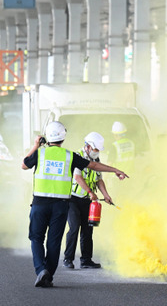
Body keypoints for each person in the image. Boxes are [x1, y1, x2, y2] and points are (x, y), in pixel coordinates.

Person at [22, 121, 128, 288]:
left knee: (36, 238)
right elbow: (92, 166)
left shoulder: (40, 153)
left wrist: (35, 145)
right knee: (54, 241)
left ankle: (41, 270)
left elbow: (24, 164)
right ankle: (48, 274)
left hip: (40, 203)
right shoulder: (69, 156)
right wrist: (115, 170)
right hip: (61, 205)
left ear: (47, 137)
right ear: (63, 139)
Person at [63, 132, 114, 270]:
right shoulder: (77, 157)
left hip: (87, 201)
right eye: (96, 149)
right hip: (72, 199)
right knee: (74, 227)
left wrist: (106, 195)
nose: (97, 152)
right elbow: (78, 177)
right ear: (88, 146)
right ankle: (68, 259)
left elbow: (99, 180)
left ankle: (86, 260)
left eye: (98, 150)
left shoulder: (96, 160)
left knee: (88, 230)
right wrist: (90, 192)